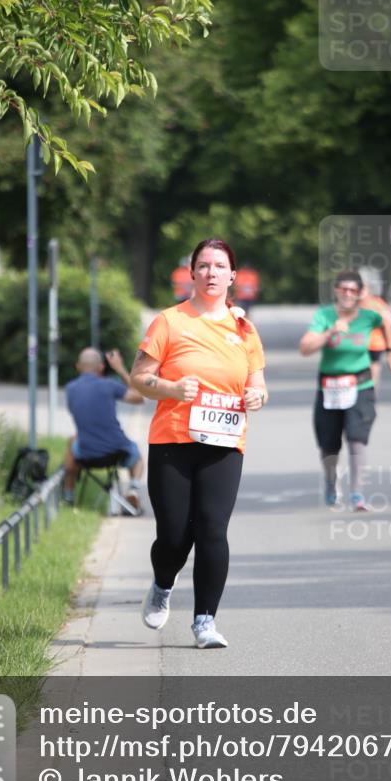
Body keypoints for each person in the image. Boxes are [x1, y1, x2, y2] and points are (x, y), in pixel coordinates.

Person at [131, 238, 267, 649]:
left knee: (212, 529)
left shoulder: (244, 328)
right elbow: (139, 378)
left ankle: (205, 621)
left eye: (219, 266)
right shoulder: (169, 322)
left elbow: (257, 382)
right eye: (203, 265)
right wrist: (172, 387)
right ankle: (162, 582)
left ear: (232, 276)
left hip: (225, 441)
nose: (211, 273)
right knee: (174, 535)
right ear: (192, 273)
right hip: (173, 439)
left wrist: (257, 396)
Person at [299, 270, 391, 512]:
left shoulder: (369, 316)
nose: (348, 294)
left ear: (360, 293)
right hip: (329, 387)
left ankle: (357, 494)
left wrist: (390, 351)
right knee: (329, 444)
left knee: (357, 439)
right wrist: (330, 332)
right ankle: (331, 484)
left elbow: (387, 322)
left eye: (353, 290)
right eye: (343, 289)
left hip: (360, 385)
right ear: (336, 291)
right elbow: (305, 348)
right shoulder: (324, 315)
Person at [64, 347, 144, 511]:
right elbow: (139, 397)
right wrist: (120, 369)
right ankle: (133, 489)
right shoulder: (110, 385)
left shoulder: (71, 389)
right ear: (101, 367)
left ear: (78, 366)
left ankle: (68, 497)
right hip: (117, 451)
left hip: (86, 454)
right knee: (138, 458)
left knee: (72, 441)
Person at [358, 277, 391, 388]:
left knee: (372, 376)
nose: (360, 292)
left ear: (368, 290)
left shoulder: (378, 304)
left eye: (363, 289)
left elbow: (387, 327)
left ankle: (370, 397)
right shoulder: (352, 305)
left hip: (374, 346)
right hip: (357, 345)